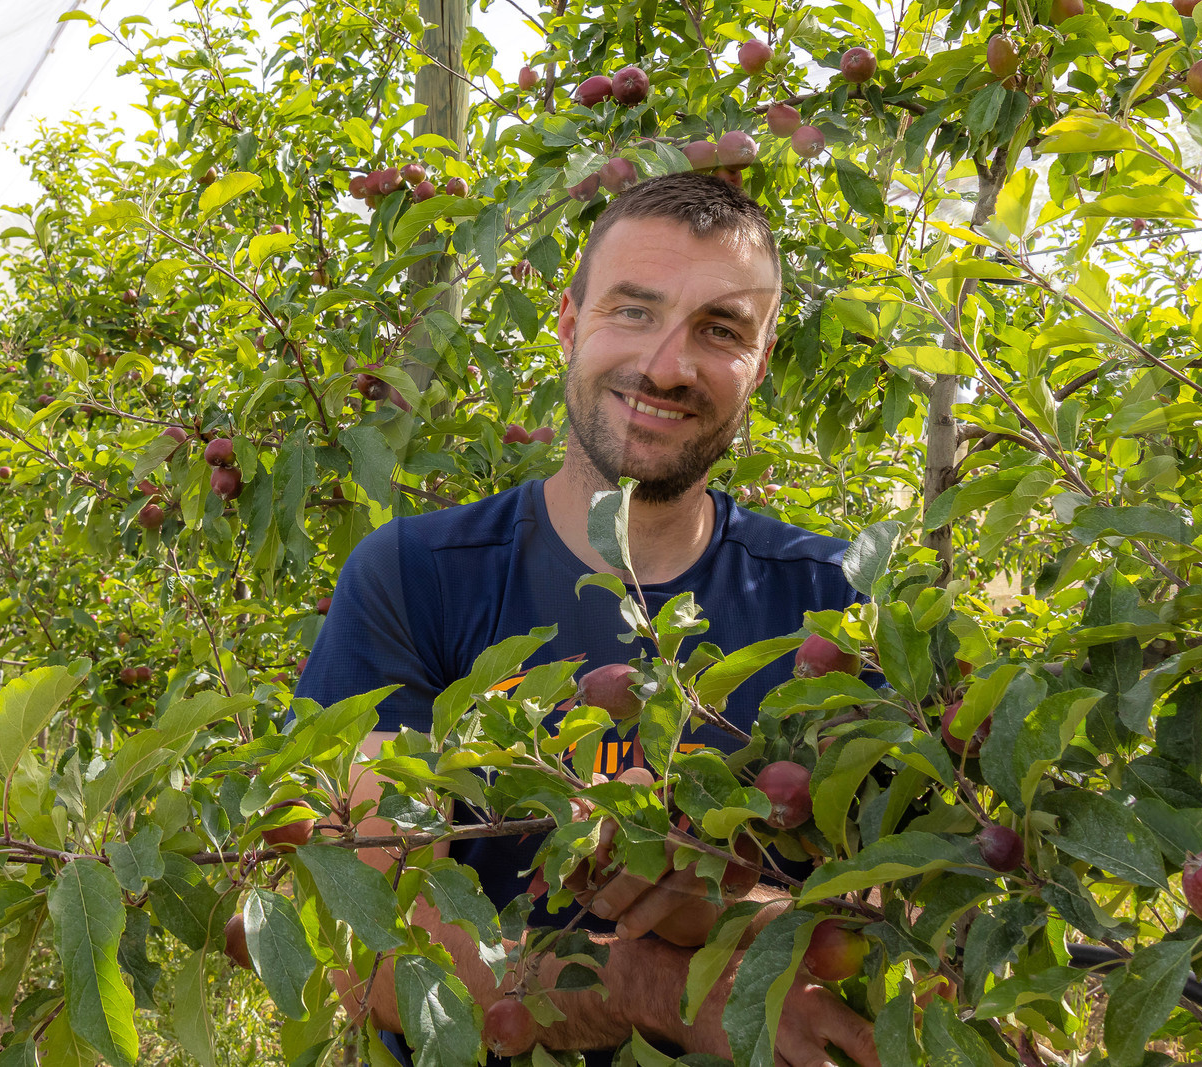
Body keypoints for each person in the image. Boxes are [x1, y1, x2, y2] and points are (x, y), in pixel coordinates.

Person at [295, 172, 879, 1067]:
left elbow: (905, 919)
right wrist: (663, 985)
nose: (668, 366)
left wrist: (723, 903)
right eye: (634, 311)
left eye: (720, 330)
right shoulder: (414, 579)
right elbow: (369, 946)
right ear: (567, 322)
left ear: (760, 362)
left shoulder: (834, 600)